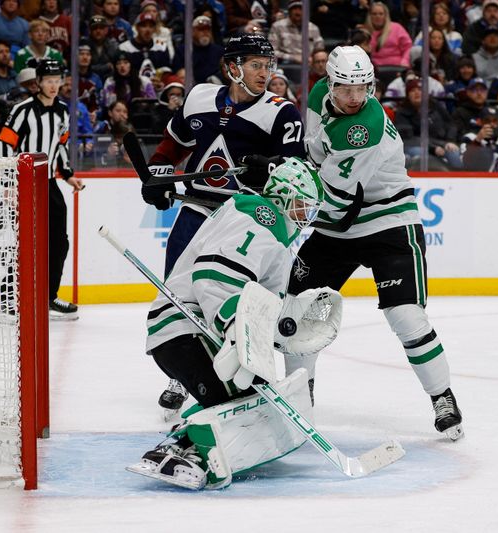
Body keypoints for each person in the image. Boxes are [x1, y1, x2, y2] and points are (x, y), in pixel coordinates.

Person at [290, 45, 463, 440]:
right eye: (345, 88)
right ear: (329, 83)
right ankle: (300, 395)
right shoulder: (318, 95)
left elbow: (334, 200)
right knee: (298, 309)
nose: (354, 97)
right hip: (339, 224)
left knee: (405, 316)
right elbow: (313, 152)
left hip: (387, 222)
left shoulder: (365, 126)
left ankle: (442, 397)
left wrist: (287, 197)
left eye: (362, 88)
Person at [129, 157, 326, 490]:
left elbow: (256, 302)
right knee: (246, 408)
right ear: (282, 196)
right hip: (188, 328)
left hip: (193, 331)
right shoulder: (263, 217)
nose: (305, 217)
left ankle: (180, 446)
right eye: (301, 206)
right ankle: (181, 452)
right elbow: (215, 274)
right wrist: (236, 329)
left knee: (252, 405)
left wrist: (287, 323)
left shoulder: (272, 232)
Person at [140, 33, 307, 418]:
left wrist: (271, 168)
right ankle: (185, 376)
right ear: (233, 68)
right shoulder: (199, 97)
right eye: (256, 64)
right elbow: (173, 144)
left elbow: (298, 171)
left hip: (242, 221)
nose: (265, 73)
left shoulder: (282, 113)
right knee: (180, 296)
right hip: (196, 210)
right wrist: (158, 176)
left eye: (269, 65)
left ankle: (246, 373)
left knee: (234, 300)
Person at [0, 59, 84, 320]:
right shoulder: (23, 110)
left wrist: (67, 175)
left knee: (59, 242)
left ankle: (49, 297)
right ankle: (8, 300)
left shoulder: (62, 111)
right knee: (27, 243)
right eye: (49, 81)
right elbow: (4, 144)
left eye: (58, 81)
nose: (54, 86)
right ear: (38, 83)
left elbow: (61, 146)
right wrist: (8, 183)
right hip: (24, 182)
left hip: (48, 182)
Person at [394, 76, 462, 170]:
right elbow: (409, 138)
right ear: (408, 95)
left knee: (453, 152)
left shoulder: (436, 106)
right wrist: (432, 148)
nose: (417, 92)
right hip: (414, 146)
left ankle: (458, 181)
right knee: (421, 154)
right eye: (412, 90)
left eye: (420, 89)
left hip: (440, 143)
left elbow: (451, 124)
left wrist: (450, 141)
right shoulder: (402, 113)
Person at [268, 0, 324, 65]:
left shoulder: (313, 28)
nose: (298, 12)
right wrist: (293, 57)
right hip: (286, 63)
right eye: (294, 9)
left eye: (300, 9)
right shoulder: (277, 26)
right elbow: (271, 51)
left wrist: (313, 57)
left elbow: (320, 49)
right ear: (289, 11)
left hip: (309, 63)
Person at [366, 1, 412, 68]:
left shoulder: (397, 28)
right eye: (374, 14)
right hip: (373, 69)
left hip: (397, 66)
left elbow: (408, 47)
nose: (377, 16)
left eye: (381, 14)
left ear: (386, 16)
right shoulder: (365, 32)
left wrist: (405, 61)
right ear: (370, 16)